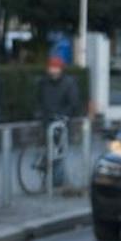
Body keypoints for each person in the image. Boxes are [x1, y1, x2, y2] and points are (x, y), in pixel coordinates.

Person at [35, 52, 81, 185]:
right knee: (49, 147)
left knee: (59, 149)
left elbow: (74, 102)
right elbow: (39, 98)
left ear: (61, 69)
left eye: (56, 68)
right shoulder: (44, 82)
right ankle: (49, 174)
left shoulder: (69, 83)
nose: (53, 71)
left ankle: (57, 180)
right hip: (47, 119)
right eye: (51, 68)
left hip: (61, 120)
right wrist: (39, 112)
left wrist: (65, 115)